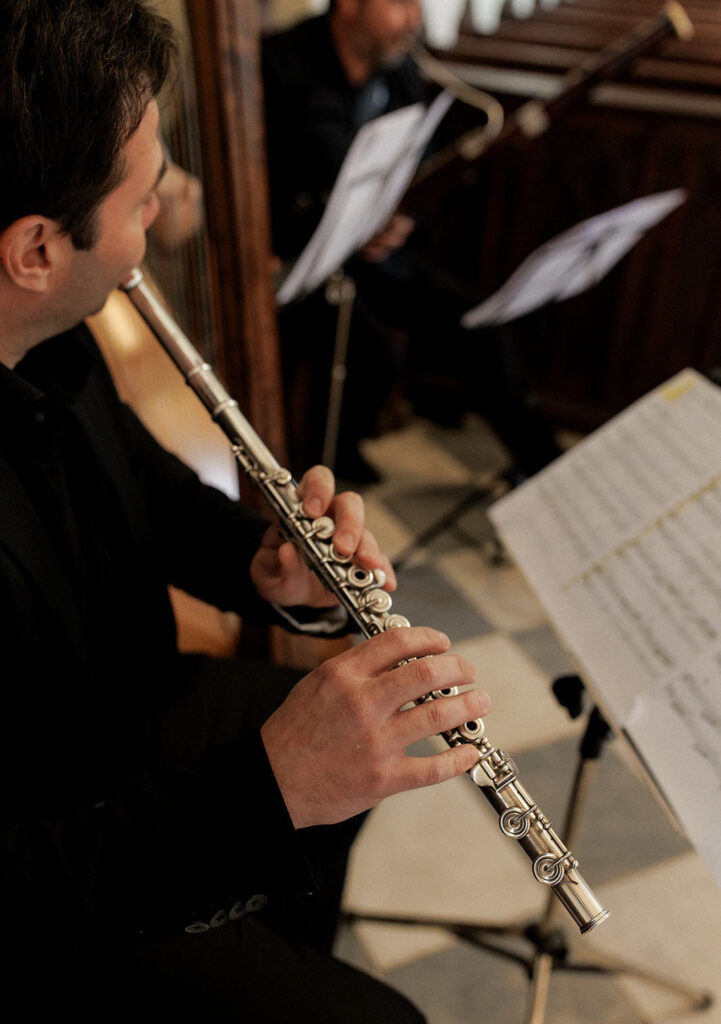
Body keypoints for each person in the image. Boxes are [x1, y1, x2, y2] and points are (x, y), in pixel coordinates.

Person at [0, 2, 489, 1020]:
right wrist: (268, 790)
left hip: (120, 709)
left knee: (357, 775)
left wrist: (269, 564)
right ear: (36, 247)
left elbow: (150, 492)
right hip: (48, 869)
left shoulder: (47, 330)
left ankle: (256, 932)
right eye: (145, 189)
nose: (165, 206)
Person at [263, 0, 562, 483]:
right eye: (400, 3)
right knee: (373, 347)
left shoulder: (399, 70)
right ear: (349, 5)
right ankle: (327, 461)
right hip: (298, 261)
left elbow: (410, 173)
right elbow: (257, 185)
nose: (415, 17)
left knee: (479, 325)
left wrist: (403, 222)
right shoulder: (279, 63)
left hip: (376, 258)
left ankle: (544, 468)